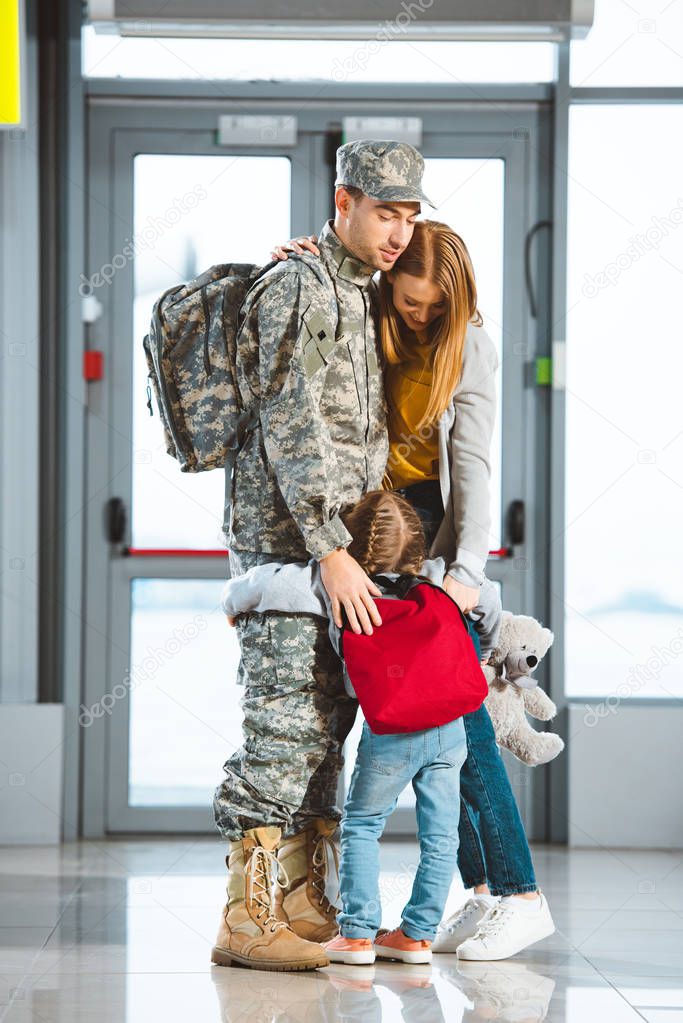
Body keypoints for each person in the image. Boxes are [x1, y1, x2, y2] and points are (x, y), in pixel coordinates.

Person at [271, 219, 555, 960]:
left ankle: (521, 893)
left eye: (432, 306)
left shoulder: (470, 347)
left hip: (427, 533)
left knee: (458, 715)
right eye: (408, 301)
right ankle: (482, 891)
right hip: (367, 523)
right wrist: (303, 261)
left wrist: (464, 572)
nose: (418, 315)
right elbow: (315, 349)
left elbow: (474, 463)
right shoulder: (369, 312)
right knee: (415, 713)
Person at [211, 139, 436, 972]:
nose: (397, 234)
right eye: (384, 213)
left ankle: (302, 900)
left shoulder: (352, 288)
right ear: (341, 202)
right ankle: (245, 918)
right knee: (281, 725)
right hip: (291, 547)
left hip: (333, 553)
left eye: (409, 218)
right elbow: (287, 419)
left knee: (325, 726)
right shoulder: (296, 284)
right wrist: (333, 547)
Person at [221, 489, 500, 964]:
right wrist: (488, 651)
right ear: (419, 545)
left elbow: (259, 583)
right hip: (450, 726)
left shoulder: (333, 585)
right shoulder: (437, 579)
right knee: (441, 834)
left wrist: (232, 605)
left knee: (365, 826)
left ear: (347, 544)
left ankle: (356, 934)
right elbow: (488, 600)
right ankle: (416, 935)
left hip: (392, 731)